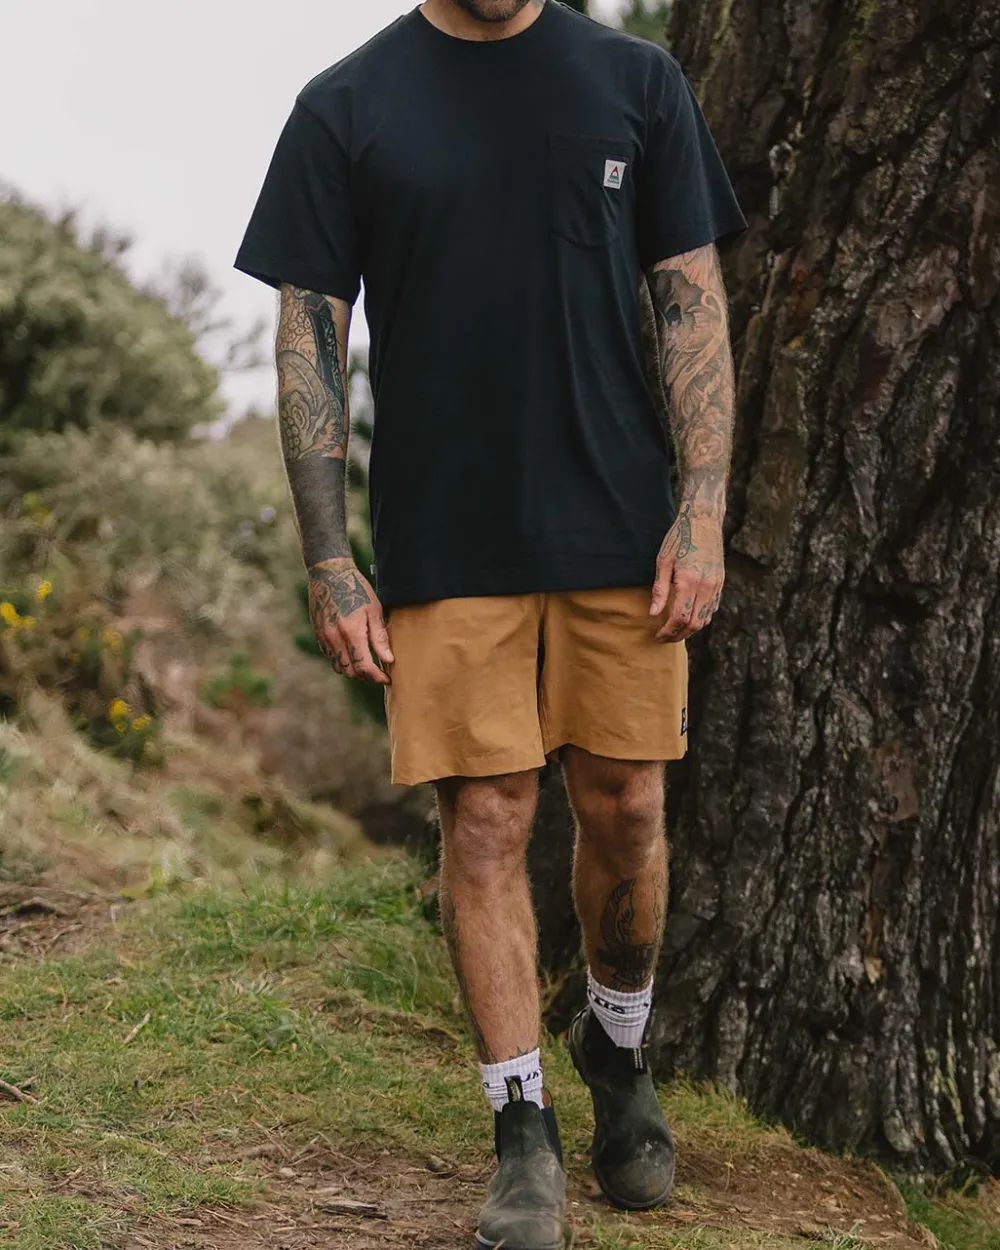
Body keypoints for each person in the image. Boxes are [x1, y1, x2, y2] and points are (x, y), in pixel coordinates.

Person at [235, 1, 745, 1245]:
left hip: (618, 521)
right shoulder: (344, 107)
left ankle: (615, 1046)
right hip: (446, 536)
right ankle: (522, 1128)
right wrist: (329, 556)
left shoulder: (634, 80)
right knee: (486, 816)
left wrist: (701, 506)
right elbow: (310, 339)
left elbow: (689, 302)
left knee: (627, 802)